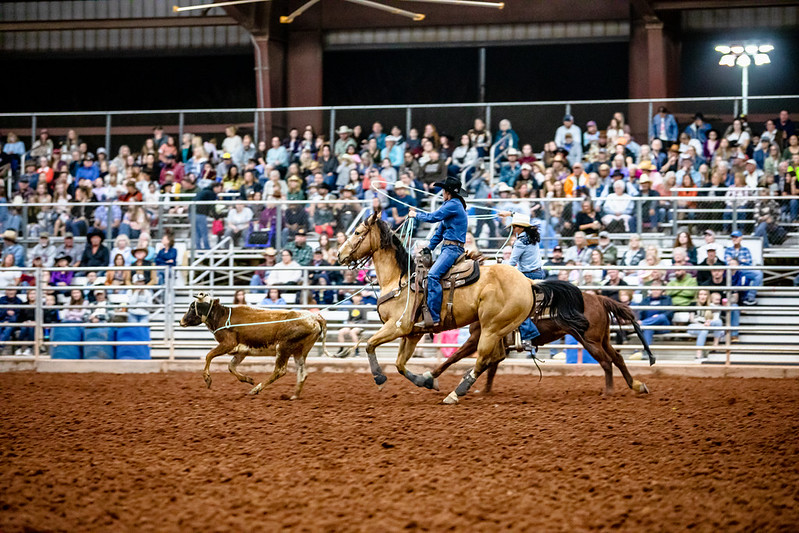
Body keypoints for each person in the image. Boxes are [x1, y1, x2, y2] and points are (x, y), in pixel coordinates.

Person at [408, 176, 468, 328]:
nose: (441, 193)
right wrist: (430, 248)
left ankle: (434, 317)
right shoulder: (452, 205)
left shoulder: (453, 204)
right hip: (448, 248)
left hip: (453, 249)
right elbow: (440, 231)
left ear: (448, 192)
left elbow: (433, 217)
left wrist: (416, 215)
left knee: (433, 276)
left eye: (443, 190)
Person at [496, 212, 544, 355]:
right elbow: (520, 214)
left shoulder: (520, 242)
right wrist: (510, 214)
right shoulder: (532, 237)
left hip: (527, 275)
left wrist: (498, 264)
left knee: (515, 305)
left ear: (520, 228)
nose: (514, 229)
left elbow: (511, 264)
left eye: (515, 226)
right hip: (538, 273)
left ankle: (528, 335)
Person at [724, 231, 763, 305]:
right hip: (732, 271)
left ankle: (750, 297)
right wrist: (741, 261)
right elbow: (727, 262)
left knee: (758, 274)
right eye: (733, 237)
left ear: (741, 238)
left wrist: (735, 261)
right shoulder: (728, 250)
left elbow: (749, 263)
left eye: (736, 237)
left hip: (743, 270)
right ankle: (743, 299)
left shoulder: (746, 250)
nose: (734, 239)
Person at [634, 281, 673, 354]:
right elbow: (640, 312)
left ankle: (642, 324)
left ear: (661, 291)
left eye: (657, 290)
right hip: (649, 326)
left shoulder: (667, 299)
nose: (655, 291)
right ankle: (646, 353)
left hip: (663, 325)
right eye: (653, 289)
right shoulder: (646, 300)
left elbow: (669, 313)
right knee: (648, 328)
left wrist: (656, 317)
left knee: (661, 316)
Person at [687, 289, 724, 360]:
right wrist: (702, 325)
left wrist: (709, 322)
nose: (703, 296)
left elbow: (715, 318)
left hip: (706, 326)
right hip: (694, 326)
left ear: (708, 296)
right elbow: (692, 320)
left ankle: (715, 346)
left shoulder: (710, 306)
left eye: (705, 294)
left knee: (718, 322)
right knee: (703, 329)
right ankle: (698, 355)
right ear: (697, 296)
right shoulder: (693, 304)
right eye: (701, 294)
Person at [335, 292, 366, 357]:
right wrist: (349, 323)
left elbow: (364, 320)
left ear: (361, 297)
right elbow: (349, 318)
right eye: (354, 296)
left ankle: (357, 351)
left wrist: (356, 324)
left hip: (359, 326)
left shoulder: (363, 306)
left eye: (357, 296)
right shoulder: (351, 307)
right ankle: (341, 350)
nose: (355, 298)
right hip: (351, 325)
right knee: (341, 332)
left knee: (352, 332)